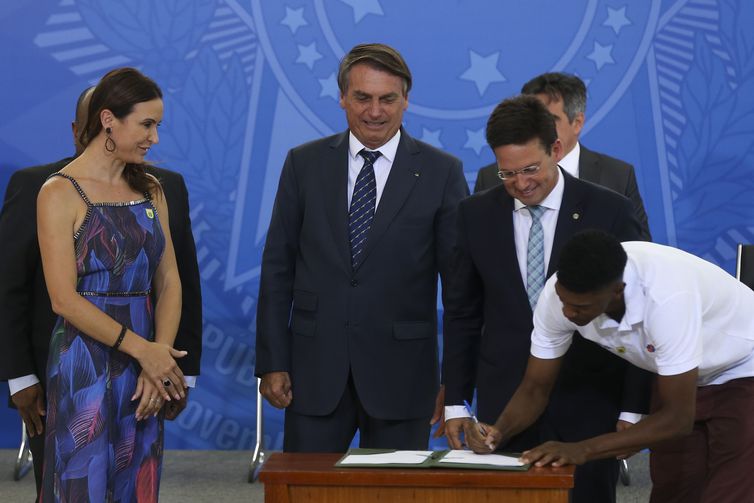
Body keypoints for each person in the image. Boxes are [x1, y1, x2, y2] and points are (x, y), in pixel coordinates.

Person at [255, 43, 468, 452]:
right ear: (342, 98)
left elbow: (459, 290)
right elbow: (277, 267)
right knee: (309, 495)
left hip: (404, 378)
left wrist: (455, 384)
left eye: (387, 99)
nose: (375, 111)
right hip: (314, 374)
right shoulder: (304, 164)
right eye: (362, 98)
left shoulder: (442, 172)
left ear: (406, 100)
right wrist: (272, 361)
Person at [442, 95, 651, 503]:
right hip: (505, 405)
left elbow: (640, 314)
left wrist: (633, 409)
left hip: (590, 401)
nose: (521, 184)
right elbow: (462, 314)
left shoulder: (611, 212)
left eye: (531, 169)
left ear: (555, 149)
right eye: (507, 173)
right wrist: (455, 403)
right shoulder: (474, 216)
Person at [0, 86, 203, 496]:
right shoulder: (56, 191)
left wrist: (159, 359)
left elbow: (170, 281)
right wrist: (144, 350)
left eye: (157, 125)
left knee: (137, 483)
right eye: (147, 124)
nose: (155, 138)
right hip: (83, 362)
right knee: (81, 483)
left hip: (147, 367)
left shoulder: (153, 189)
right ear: (109, 120)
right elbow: (62, 298)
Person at [466, 229, 754, 503]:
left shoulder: (667, 296)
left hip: (744, 366)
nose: (568, 313)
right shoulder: (558, 296)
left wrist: (582, 449)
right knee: (674, 489)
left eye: (580, 308)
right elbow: (535, 388)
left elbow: (678, 419)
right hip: (682, 375)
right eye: (565, 302)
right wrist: (499, 431)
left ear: (617, 291)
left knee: (731, 492)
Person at [474, 72, 651, 240]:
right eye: (531, 119)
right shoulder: (490, 178)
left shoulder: (617, 176)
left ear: (577, 122)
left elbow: (639, 255)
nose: (538, 128)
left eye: (549, 119)